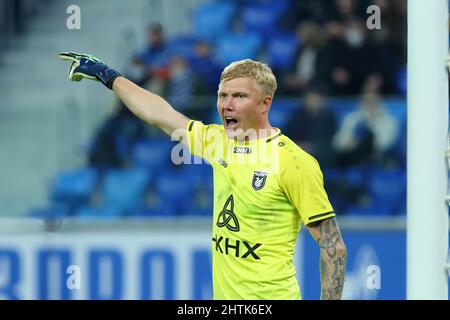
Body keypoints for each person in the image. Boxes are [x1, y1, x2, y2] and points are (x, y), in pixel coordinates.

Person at [58, 52, 347, 300]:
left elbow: (332, 246)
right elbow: (160, 113)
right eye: (223, 95)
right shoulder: (218, 141)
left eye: (239, 96)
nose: (227, 105)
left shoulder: (294, 162)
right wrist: (110, 76)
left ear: (264, 104)